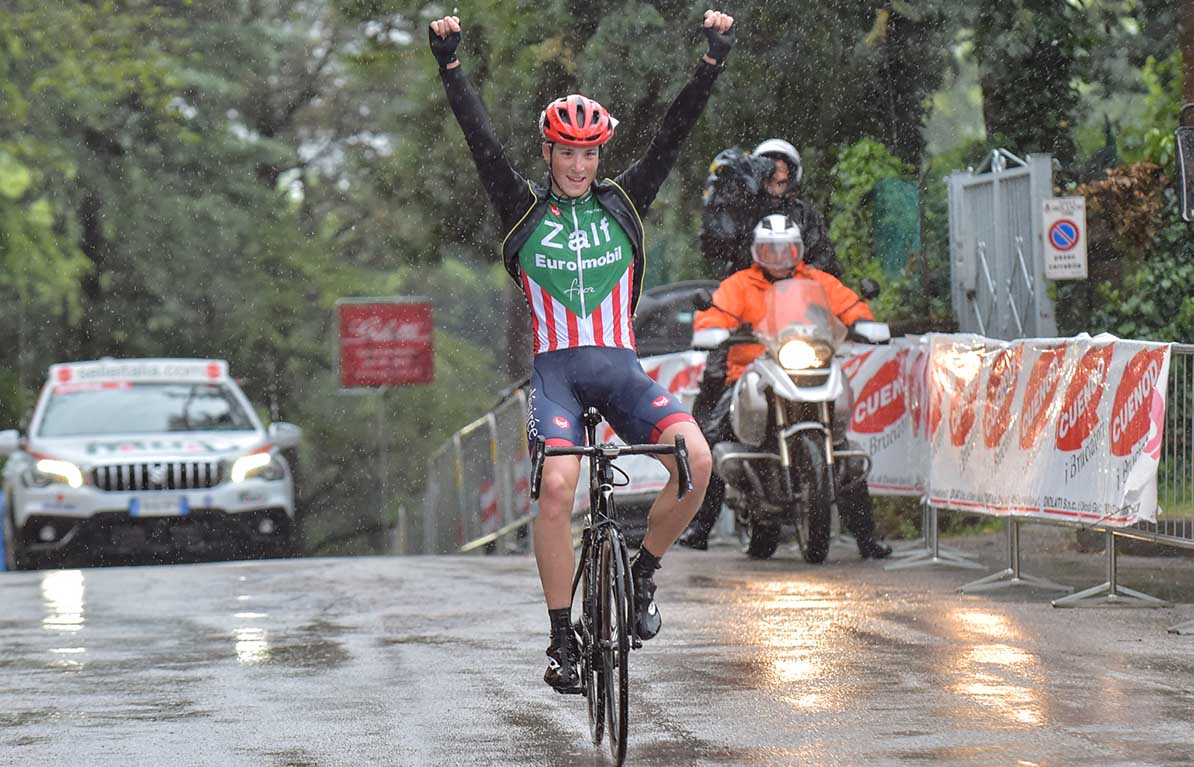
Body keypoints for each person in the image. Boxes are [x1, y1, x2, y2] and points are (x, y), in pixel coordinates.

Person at [429, 10, 734, 694]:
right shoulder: (521, 209)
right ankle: (562, 635)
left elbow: (672, 134)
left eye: (589, 152)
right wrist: (450, 67)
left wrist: (709, 63)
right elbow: (478, 137)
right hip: (558, 377)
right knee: (560, 486)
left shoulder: (624, 201)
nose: (578, 163)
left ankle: (642, 571)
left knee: (699, 460)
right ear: (547, 153)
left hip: (621, 372)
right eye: (567, 151)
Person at [679, 214, 892, 559]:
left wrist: (865, 323)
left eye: (787, 249)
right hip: (754, 370)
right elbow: (716, 311)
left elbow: (849, 304)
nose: (779, 257)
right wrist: (713, 328)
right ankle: (700, 526)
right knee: (712, 436)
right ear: (756, 251)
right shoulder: (740, 284)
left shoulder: (817, 281)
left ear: (799, 249)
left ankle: (867, 538)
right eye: (770, 250)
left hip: (809, 368)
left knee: (840, 447)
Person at [700, 139, 843, 279]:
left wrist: (801, 276)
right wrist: (721, 197)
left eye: (780, 178)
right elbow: (714, 247)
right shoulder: (743, 212)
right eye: (769, 175)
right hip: (748, 295)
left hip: (794, 295)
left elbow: (826, 261)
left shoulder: (804, 214)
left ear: (791, 176)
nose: (774, 184)